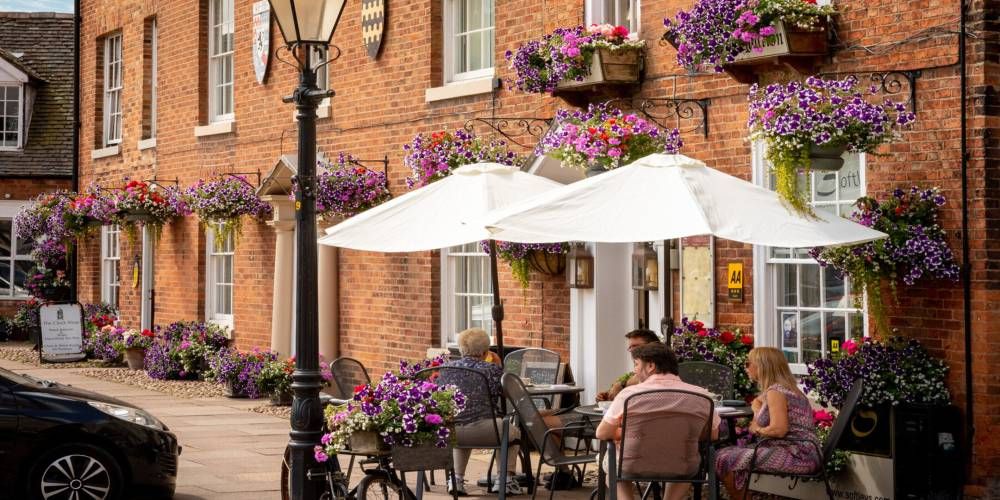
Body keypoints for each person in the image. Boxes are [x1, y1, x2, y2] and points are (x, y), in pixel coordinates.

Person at [595, 343, 720, 500]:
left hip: (632, 464)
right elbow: (712, 434)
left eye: (636, 364)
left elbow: (602, 432)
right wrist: (680, 435)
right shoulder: (702, 395)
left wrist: (626, 433)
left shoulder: (630, 394)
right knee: (683, 464)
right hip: (682, 465)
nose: (634, 370)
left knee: (613, 468)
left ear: (651, 366)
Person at [715, 347, 822, 499]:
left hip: (797, 455)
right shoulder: (784, 389)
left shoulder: (776, 392)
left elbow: (778, 430)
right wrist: (758, 406)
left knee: (724, 458)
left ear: (761, 366)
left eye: (748, 363)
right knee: (725, 455)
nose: (745, 368)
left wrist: (757, 428)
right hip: (805, 452)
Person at [437, 328, 522, 496]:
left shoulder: (445, 369)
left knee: (460, 425)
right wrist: (498, 366)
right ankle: (505, 481)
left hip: (452, 432)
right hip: (487, 430)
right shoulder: (491, 369)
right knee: (512, 431)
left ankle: (456, 480)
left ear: (461, 348)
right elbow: (508, 393)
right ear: (485, 351)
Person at [596, 329, 661, 402]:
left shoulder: (662, 368)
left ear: (653, 346)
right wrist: (607, 395)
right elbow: (614, 390)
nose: (632, 351)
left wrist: (622, 385)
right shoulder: (630, 375)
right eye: (630, 347)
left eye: (636, 346)